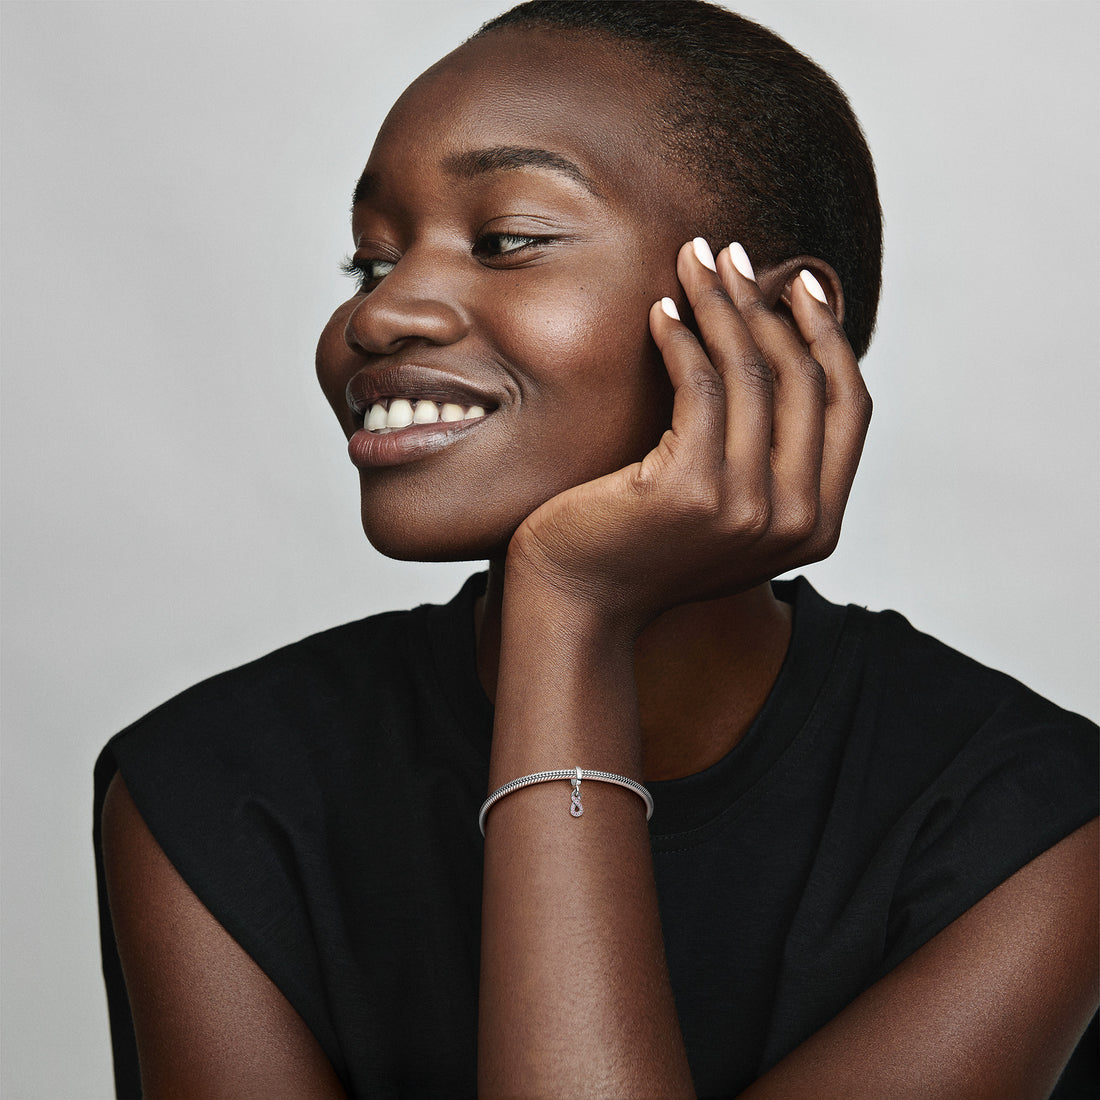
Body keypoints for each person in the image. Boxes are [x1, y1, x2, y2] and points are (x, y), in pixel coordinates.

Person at [94, 2, 1098, 1096]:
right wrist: (569, 611)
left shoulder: (1034, 824)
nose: (379, 318)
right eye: (368, 262)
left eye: (507, 238)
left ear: (769, 319)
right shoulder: (212, 790)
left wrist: (568, 607)